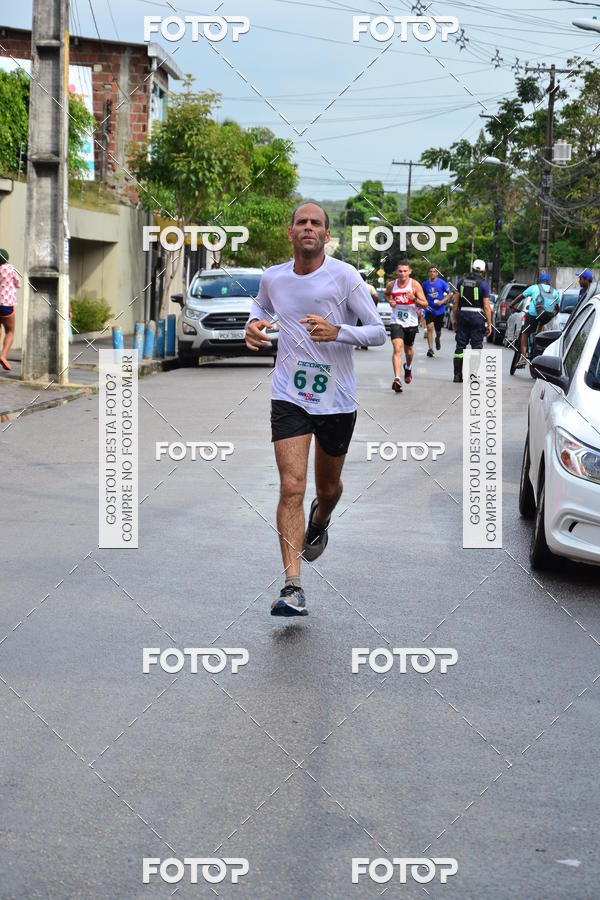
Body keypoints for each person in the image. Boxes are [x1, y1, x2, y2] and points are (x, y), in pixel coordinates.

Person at [245, 202, 386, 617]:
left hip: (336, 400)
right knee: (291, 486)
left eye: (316, 223)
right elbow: (261, 307)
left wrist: (338, 331)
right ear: (290, 232)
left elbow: (378, 331)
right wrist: (252, 326)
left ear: (326, 235)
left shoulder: (345, 276)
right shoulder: (273, 278)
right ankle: (292, 587)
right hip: (289, 395)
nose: (308, 228)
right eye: (301, 222)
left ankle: (321, 520)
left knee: (327, 489)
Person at [383, 261, 428, 392]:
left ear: (409, 272)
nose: (402, 274)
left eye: (405, 271)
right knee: (397, 348)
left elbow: (425, 304)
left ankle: (408, 368)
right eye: (400, 271)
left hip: (411, 323)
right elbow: (386, 294)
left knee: (409, 351)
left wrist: (413, 298)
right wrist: (390, 301)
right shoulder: (392, 285)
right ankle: (397, 378)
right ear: (397, 272)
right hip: (396, 321)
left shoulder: (414, 285)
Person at [451, 259, 492, 383]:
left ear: (472, 268)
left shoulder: (461, 282)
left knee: (460, 347)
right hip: (477, 317)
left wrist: (454, 319)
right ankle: (473, 376)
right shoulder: (484, 284)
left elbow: (456, 302)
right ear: (483, 270)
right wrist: (489, 324)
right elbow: (486, 306)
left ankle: (457, 376)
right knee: (476, 347)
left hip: (462, 315)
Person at [512, 273, 559, 369]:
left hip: (533, 314)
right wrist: (553, 315)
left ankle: (523, 359)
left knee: (525, 333)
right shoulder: (554, 291)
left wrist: (512, 304)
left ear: (539, 281)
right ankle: (539, 344)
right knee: (541, 323)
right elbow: (557, 308)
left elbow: (521, 296)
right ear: (549, 282)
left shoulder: (534, 287)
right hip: (547, 315)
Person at [421, 266, 453, 357]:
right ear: (428, 273)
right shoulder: (425, 284)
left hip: (440, 311)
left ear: (437, 273)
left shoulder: (442, 283)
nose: (432, 273)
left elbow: (449, 294)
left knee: (438, 331)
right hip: (429, 310)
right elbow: (422, 295)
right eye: (430, 271)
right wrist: (423, 305)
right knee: (430, 328)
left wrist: (442, 302)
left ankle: (437, 339)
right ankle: (430, 349)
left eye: (434, 271)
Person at [0, 249, 20, 371]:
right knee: (10, 331)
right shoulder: (11, 269)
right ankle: (3, 356)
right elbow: (17, 283)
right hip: (7, 305)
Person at [355, 272, 379, 351]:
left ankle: (358, 345)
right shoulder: (370, 287)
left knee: (358, 327)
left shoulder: (355, 287)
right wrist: (374, 306)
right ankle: (365, 344)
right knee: (366, 327)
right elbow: (375, 296)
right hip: (367, 310)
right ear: (366, 279)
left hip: (357, 309)